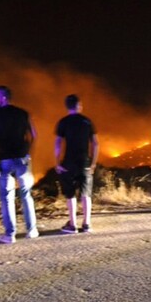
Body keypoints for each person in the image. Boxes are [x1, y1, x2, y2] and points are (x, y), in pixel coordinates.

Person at [0, 85, 38, 244]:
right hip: (22, 160)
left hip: (5, 161)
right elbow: (34, 135)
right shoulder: (23, 113)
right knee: (26, 194)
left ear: (3, 98)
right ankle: (32, 230)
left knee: (7, 197)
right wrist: (28, 153)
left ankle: (10, 235)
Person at [55, 94, 99, 234]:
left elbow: (58, 144)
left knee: (70, 194)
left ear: (66, 106)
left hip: (68, 163)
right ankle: (87, 224)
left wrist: (57, 163)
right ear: (79, 105)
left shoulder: (63, 122)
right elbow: (96, 143)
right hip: (85, 162)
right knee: (86, 193)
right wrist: (93, 163)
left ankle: (72, 225)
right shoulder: (87, 121)